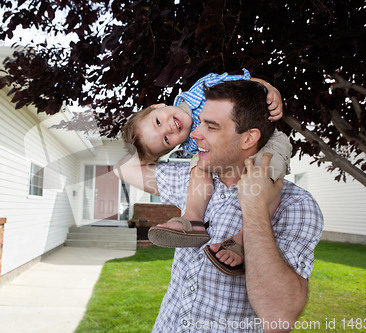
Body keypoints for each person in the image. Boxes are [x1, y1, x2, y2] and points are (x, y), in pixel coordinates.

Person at [114, 79, 324, 332]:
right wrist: (153, 127)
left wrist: (256, 208)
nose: (194, 134)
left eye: (211, 127)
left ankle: (240, 241)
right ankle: (192, 222)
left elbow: (278, 316)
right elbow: (122, 166)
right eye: (199, 121)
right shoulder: (192, 182)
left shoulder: (296, 206)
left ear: (249, 138)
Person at [121, 70, 292, 272]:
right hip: (223, 153)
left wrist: (271, 90)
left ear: (157, 106)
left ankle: (245, 237)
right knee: (198, 167)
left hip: (268, 137)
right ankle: (193, 218)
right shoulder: (192, 142)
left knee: (266, 176)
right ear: (172, 148)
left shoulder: (202, 87)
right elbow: (125, 167)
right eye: (166, 140)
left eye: (158, 121)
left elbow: (247, 82)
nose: (168, 129)